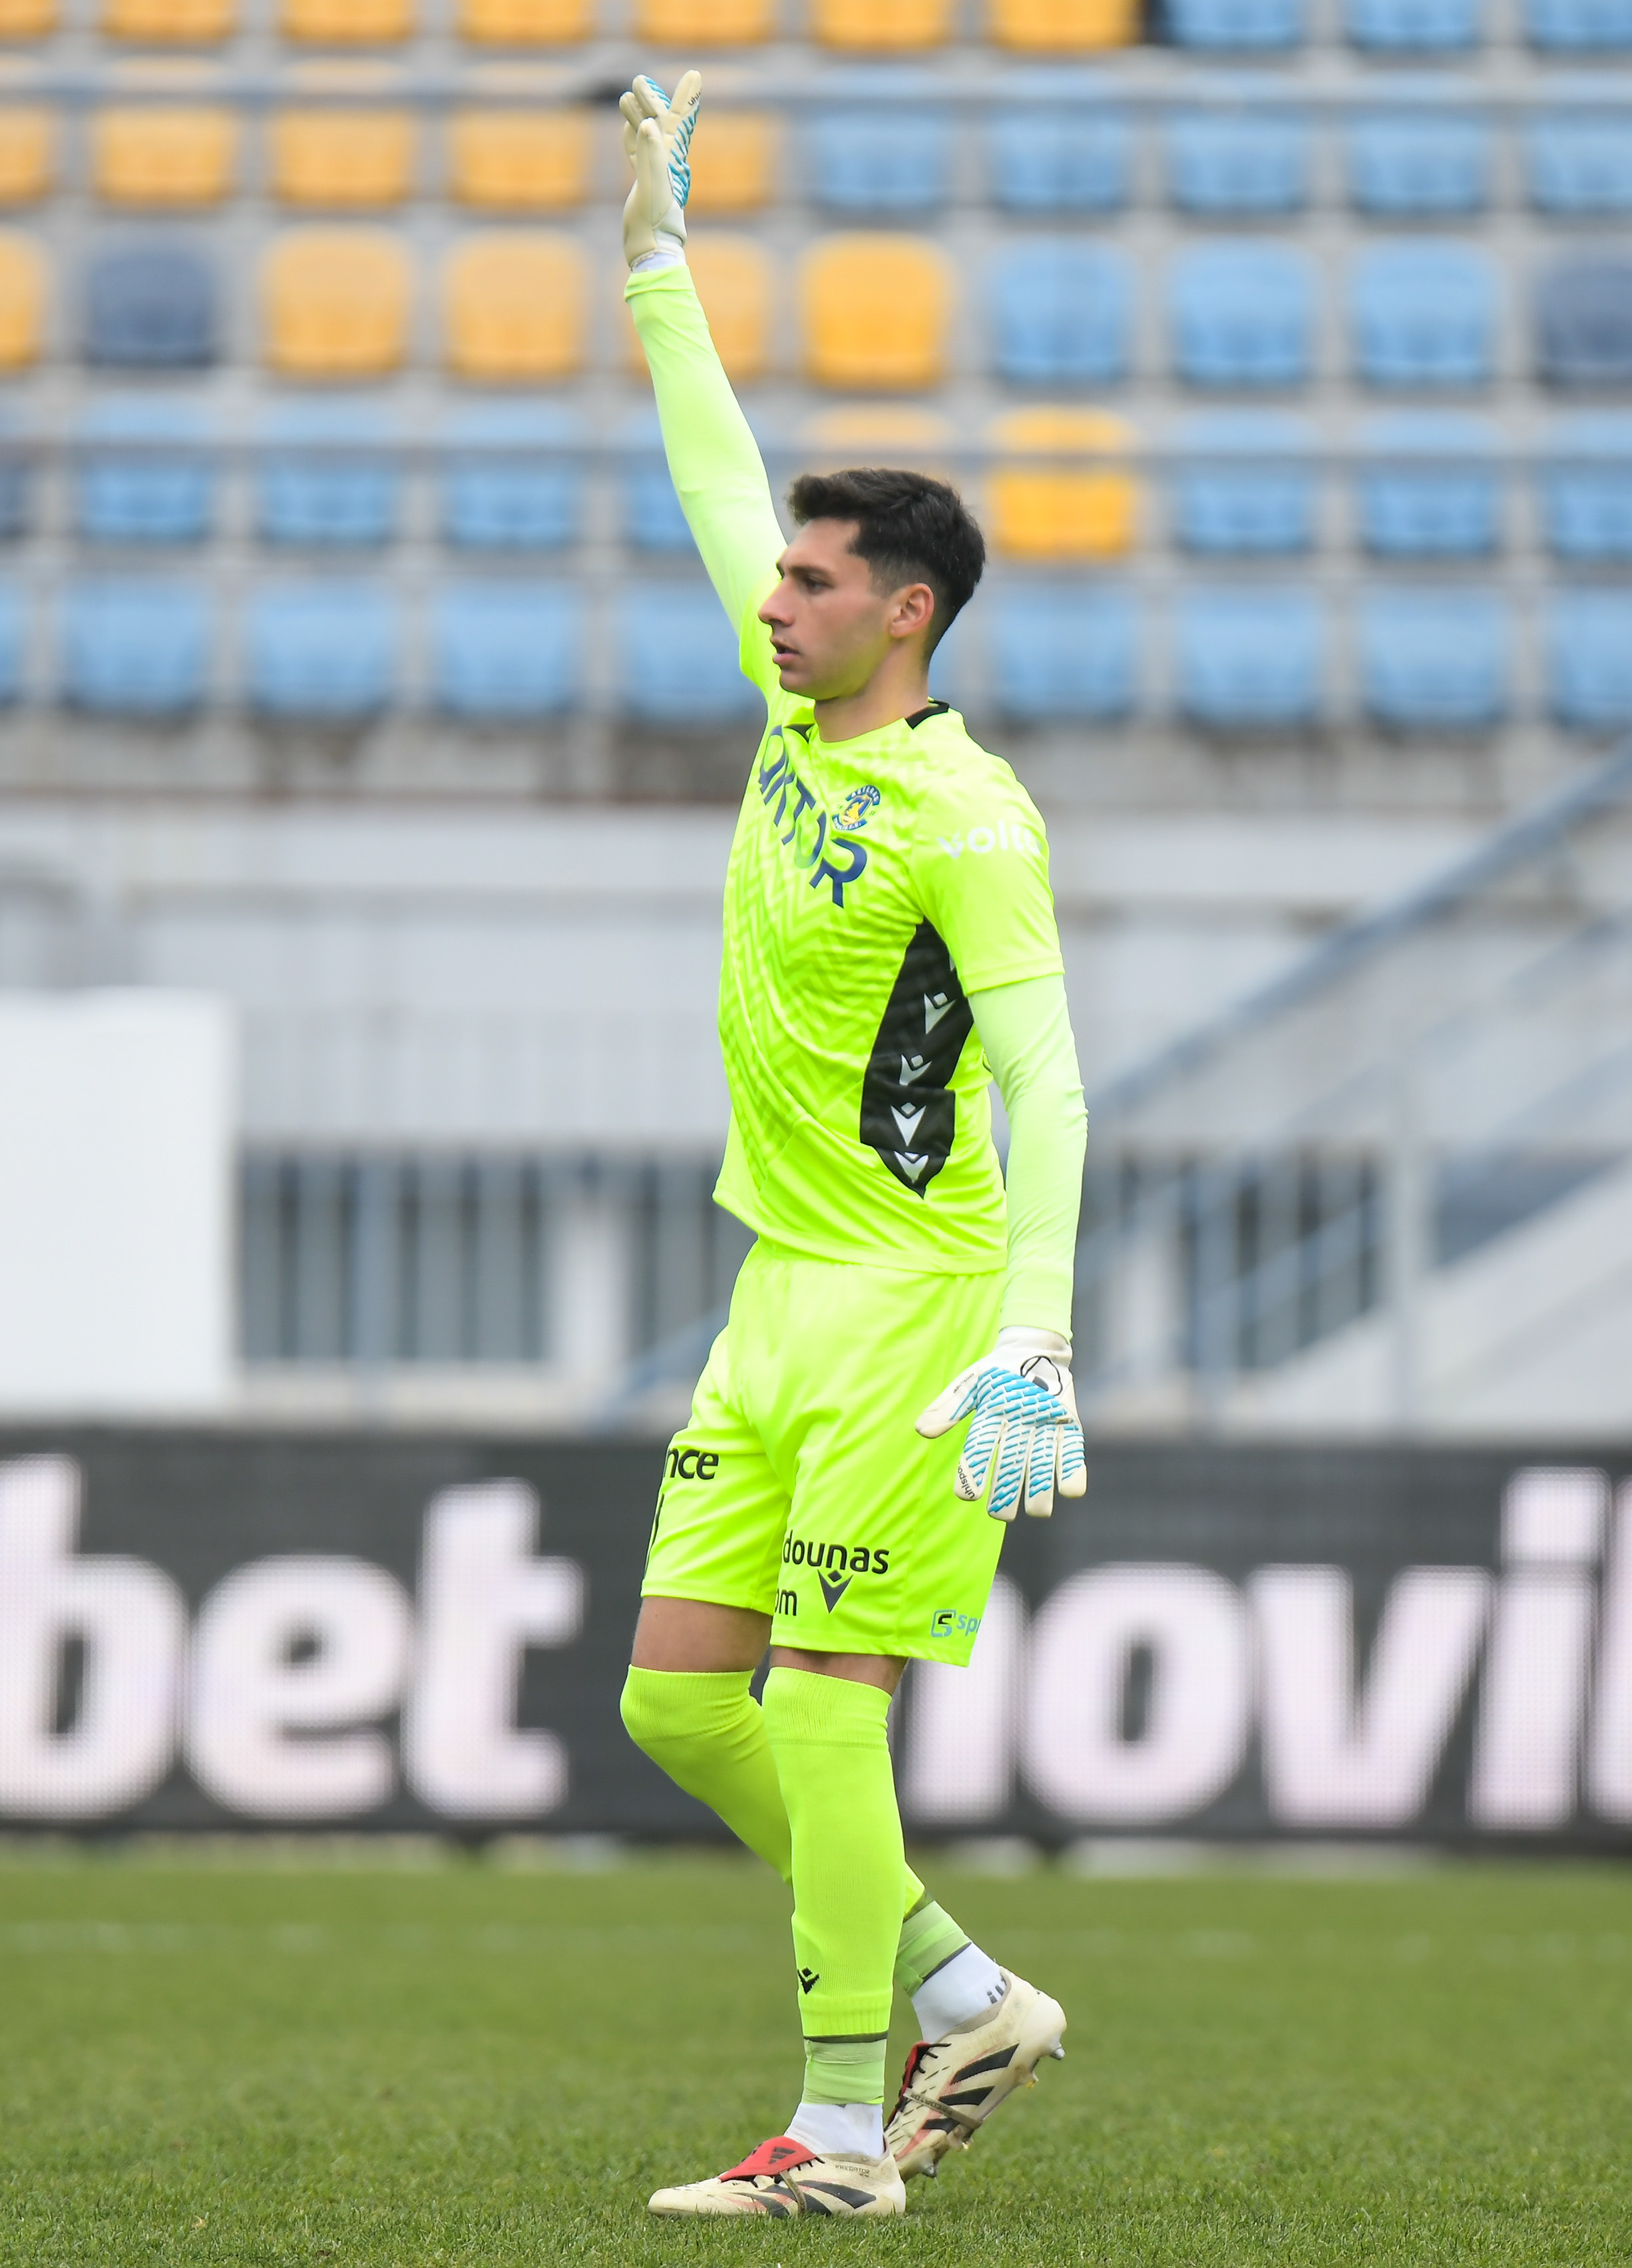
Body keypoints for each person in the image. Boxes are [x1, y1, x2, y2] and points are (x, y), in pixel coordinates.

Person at [614, 70, 1088, 2223]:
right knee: (671, 1708)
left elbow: (1047, 1079)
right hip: (776, 1289)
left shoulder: (965, 816)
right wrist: (656, 257)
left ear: (903, 611)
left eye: (810, 583)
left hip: (916, 1306)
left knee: (818, 1709)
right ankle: (967, 1993)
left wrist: (1034, 1334)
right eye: (781, 576)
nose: (771, 599)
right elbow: (711, 467)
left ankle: (832, 2139)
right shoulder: (793, 707)